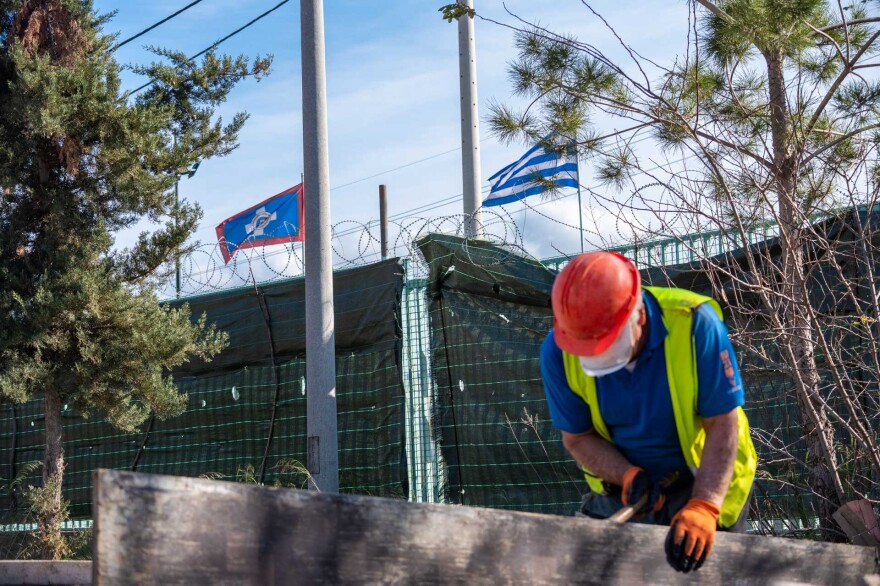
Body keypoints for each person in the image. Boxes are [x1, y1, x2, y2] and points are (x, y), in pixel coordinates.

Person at [540, 251, 757, 573]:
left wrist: (704, 505)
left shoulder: (694, 323)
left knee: (701, 570)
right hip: (630, 482)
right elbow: (578, 437)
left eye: (607, 345)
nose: (598, 356)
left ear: (638, 315)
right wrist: (627, 475)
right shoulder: (560, 350)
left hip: (705, 476)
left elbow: (721, 423)